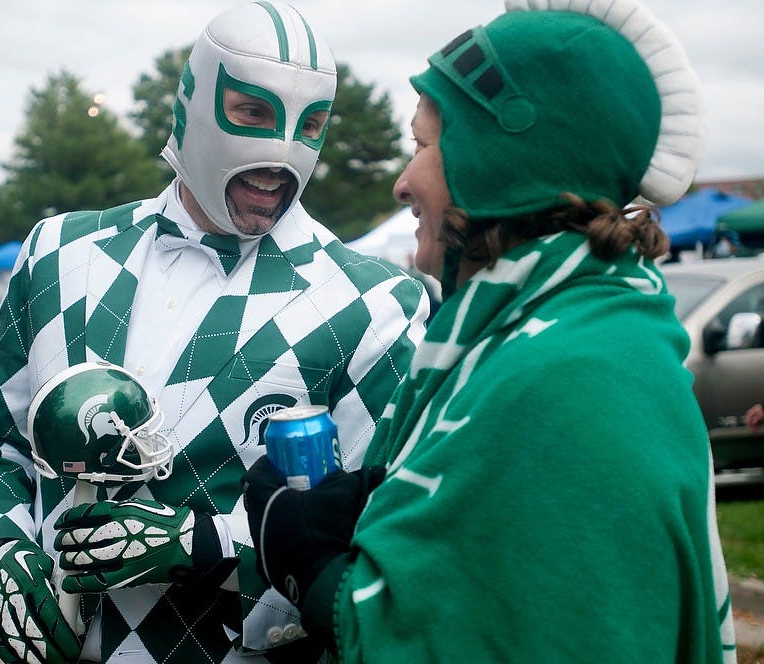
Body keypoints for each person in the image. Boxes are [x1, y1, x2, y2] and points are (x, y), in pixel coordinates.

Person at [243, 0, 737, 662]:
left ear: (498, 163)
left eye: (422, 147)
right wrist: (389, 500)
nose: (402, 183)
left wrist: (319, 576)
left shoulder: (572, 378)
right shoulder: (545, 336)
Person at [0, 3, 429, 663]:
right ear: (192, 102)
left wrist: (204, 547)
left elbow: (381, 537)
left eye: (309, 124)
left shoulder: (374, 304)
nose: (280, 152)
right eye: (254, 112)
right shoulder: (61, 252)